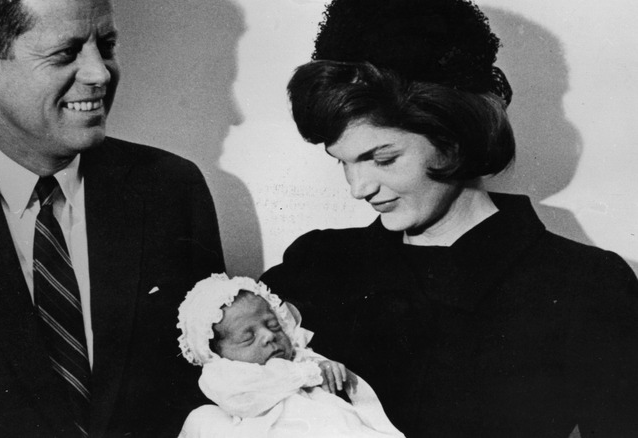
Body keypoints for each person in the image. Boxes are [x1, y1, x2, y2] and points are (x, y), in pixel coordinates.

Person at [260, 0, 638, 437]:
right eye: (342, 162)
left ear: (453, 140)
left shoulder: (584, 287)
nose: (358, 188)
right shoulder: (318, 261)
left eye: (382, 159)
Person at [0, 0, 224, 436]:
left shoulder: (171, 189)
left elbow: (218, 385)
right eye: (66, 53)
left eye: (105, 45)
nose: (100, 73)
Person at [175, 274, 404, 438]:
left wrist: (325, 367)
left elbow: (313, 366)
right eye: (248, 338)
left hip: (324, 421)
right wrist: (307, 373)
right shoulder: (223, 375)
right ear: (216, 355)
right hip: (268, 428)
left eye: (274, 326)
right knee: (201, 419)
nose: (268, 336)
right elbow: (244, 397)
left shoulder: (295, 357)